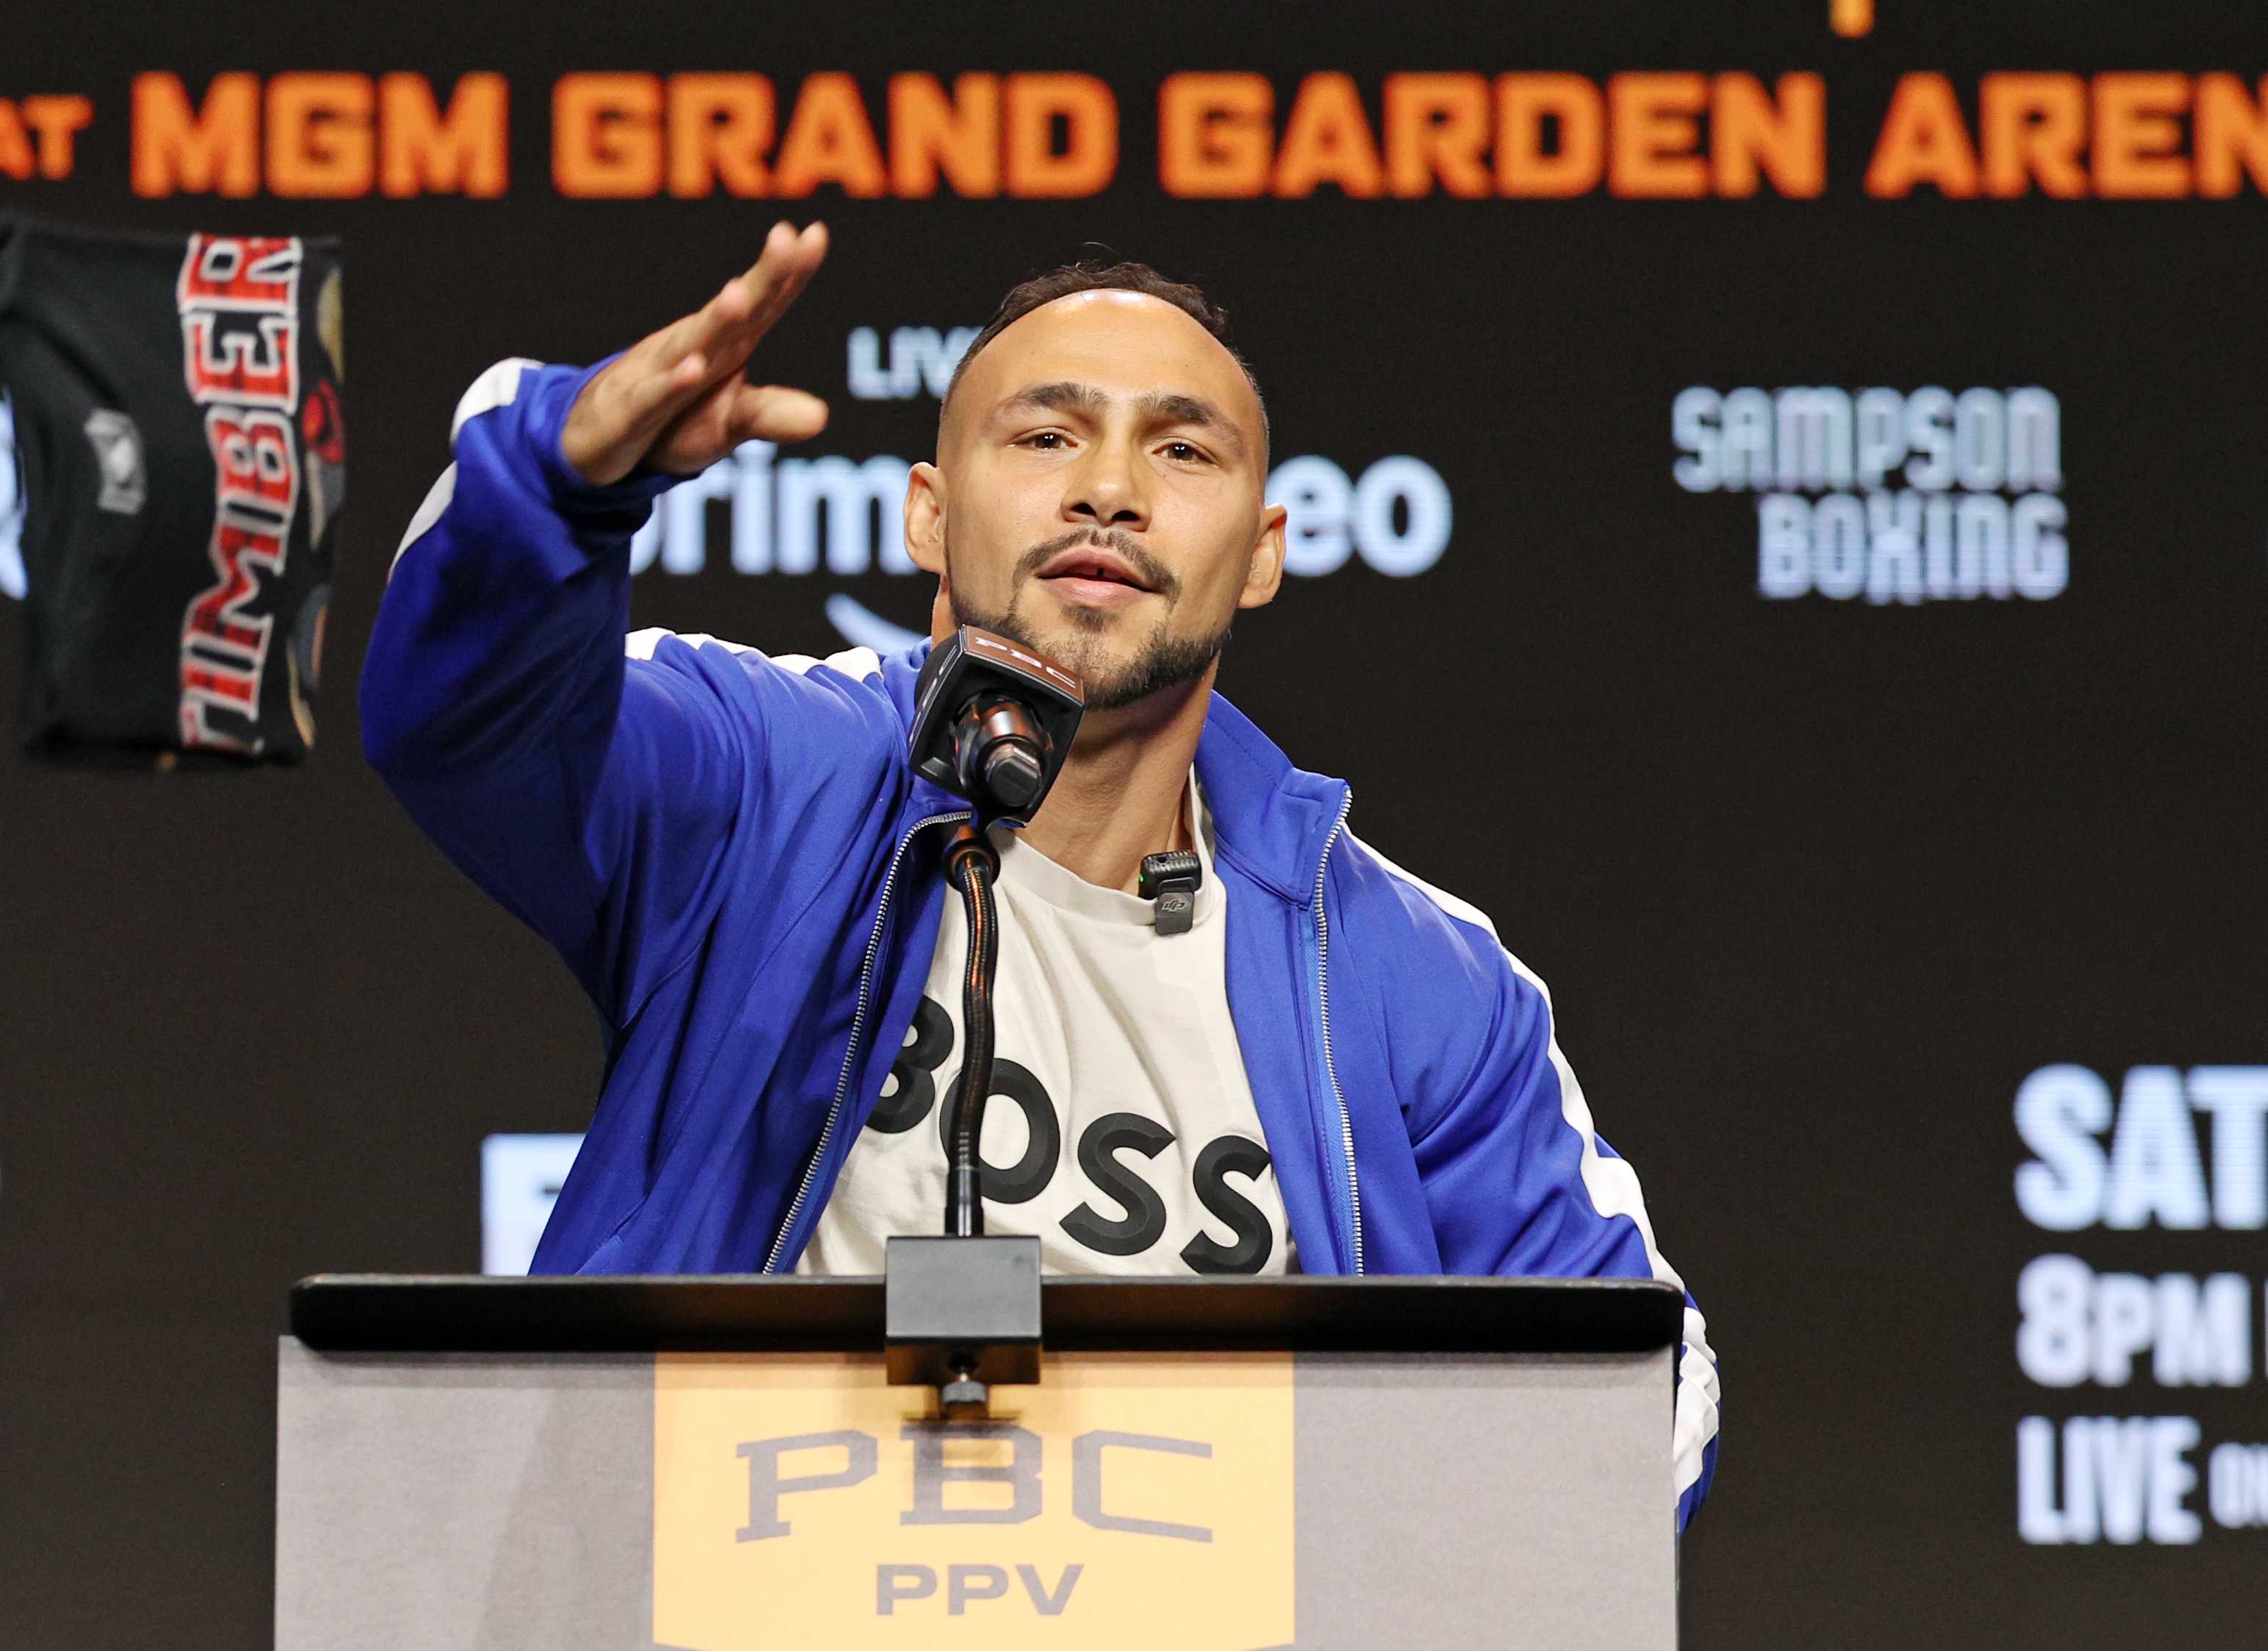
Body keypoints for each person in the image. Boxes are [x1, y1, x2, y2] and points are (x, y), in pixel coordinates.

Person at [363, 222, 1720, 1525]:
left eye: (1181, 447)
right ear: (927, 515)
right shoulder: (763, 778)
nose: (1108, 489)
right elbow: (463, 723)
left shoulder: (1412, 973)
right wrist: (552, 489)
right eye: (1046, 435)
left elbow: (1638, 1394)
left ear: (1259, 554)